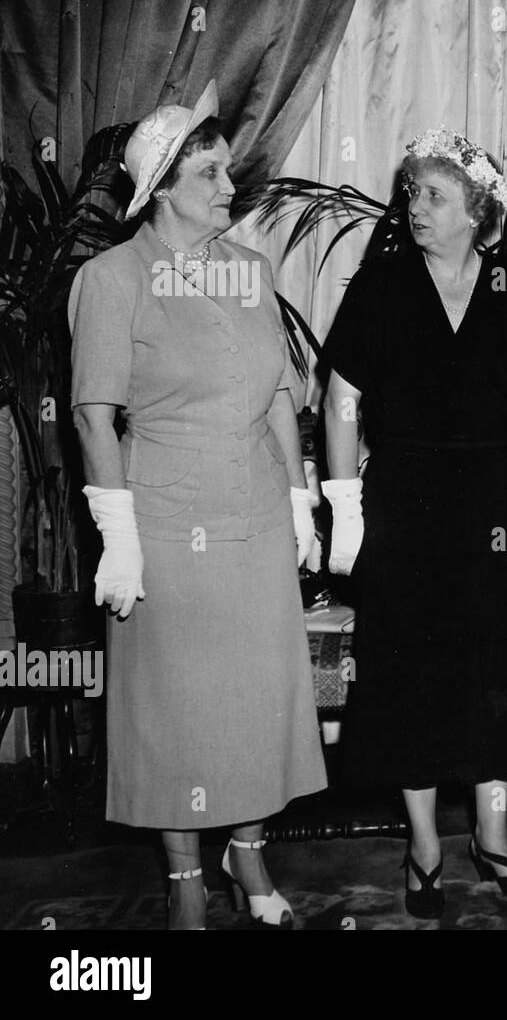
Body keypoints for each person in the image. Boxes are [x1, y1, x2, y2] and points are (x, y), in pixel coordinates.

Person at [69, 80, 328, 930]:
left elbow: (282, 400)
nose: (229, 187)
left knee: (259, 699)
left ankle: (248, 854)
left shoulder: (250, 274)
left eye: (226, 171)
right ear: (163, 188)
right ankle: (186, 881)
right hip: (166, 525)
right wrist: (119, 540)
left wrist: (300, 505)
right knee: (176, 709)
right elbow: (93, 415)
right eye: (210, 173)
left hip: (254, 518)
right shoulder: (113, 279)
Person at [321, 127, 507, 918]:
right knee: (409, 669)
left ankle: (492, 840)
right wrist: (346, 513)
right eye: (412, 194)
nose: (415, 208)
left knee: (496, 665)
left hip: (500, 494)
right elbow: (341, 398)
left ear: (478, 210)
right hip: (407, 493)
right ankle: (425, 845)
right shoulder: (384, 284)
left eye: (433, 195)